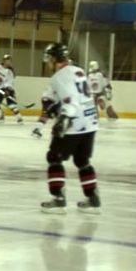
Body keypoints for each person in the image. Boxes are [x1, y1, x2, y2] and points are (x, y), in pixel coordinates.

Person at [38, 42, 102, 210]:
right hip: (90, 122)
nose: (48, 63)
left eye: (49, 59)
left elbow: (70, 100)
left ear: (55, 59)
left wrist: (64, 119)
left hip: (74, 123)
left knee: (54, 157)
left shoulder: (60, 76)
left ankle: (58, 197)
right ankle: (93, 197)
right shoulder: (78, 70)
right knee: (82, 160)